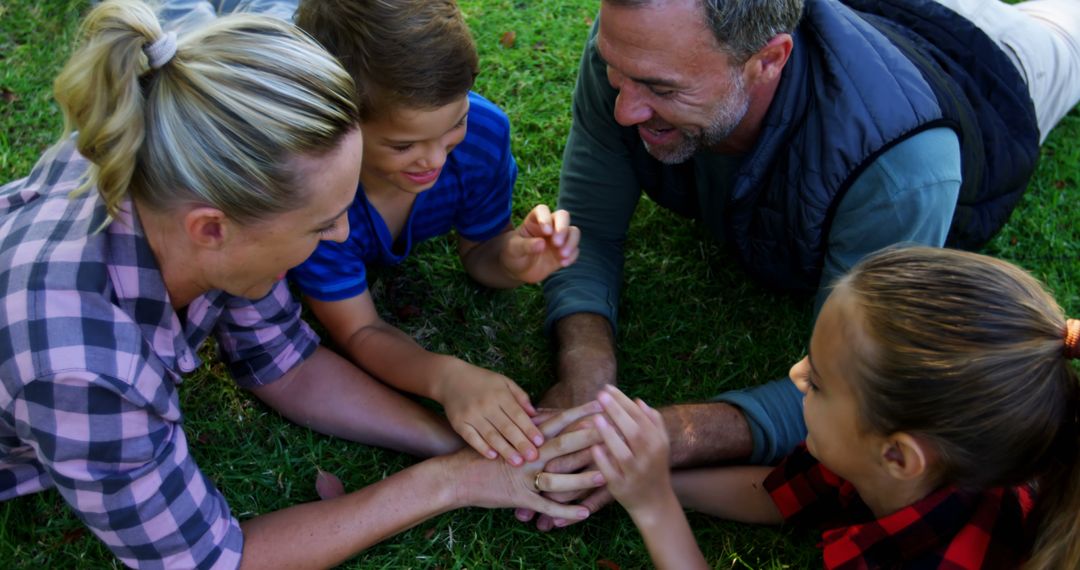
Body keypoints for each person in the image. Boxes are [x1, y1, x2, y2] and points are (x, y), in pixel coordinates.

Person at [0, 2, 599, 567]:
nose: (342, 237)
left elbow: (285, 362)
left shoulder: (172, 161)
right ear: (212, 228)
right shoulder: (82, 368)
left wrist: (458, 445)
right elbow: (208, 560)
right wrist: (453, 482)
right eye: (320, 223)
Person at [537, 0, 1080, 521]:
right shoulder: (640, 47)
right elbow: (588, 229)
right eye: (616, 71)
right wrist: (586, 372)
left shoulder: (900, 169)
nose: (624, 108)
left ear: (768, 60)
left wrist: (660, 437)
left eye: (661, 89)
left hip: (988, 58)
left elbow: (855, 392)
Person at [591, 247, 1080, 569]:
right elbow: (772, 495)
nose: (797, 376)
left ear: (897, 457)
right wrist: (646, 480)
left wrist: (656, 509)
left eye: (819, 382)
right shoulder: (903, 453)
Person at [287, 0, 580, 467]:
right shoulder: (316, 197)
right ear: (336, 124)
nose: (436, 161)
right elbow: (361, 329)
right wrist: (444, 377)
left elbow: (482, 251)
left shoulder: (483, 137)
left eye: (454, 125)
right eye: (403, 145)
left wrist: (513, 259)